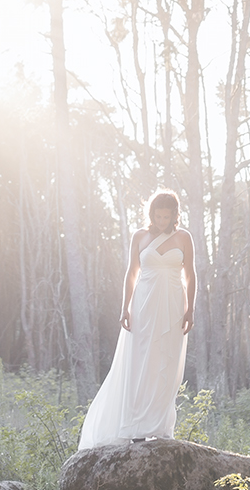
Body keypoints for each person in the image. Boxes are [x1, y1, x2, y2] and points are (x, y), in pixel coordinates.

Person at [77, 190, 196, 450]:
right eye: (158, 215)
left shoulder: (184, 237)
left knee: (166, 361)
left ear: (175, 215)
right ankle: (136, 426)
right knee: (140, 363)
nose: (162, 220)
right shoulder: (140, 236)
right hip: (143, 305)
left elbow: (191, 275)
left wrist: (190, 309)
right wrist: (125, 308)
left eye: (167, 216)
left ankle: (161, 426)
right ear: (151, 213)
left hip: (173, 306)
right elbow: (131, 273)